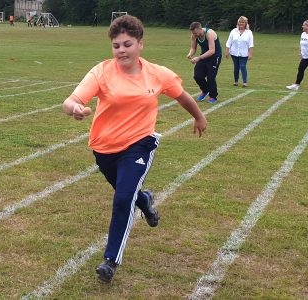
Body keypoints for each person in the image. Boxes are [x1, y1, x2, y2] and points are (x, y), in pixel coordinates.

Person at [62, 15, 207, 283]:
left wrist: (198, 116)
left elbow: (181, 96)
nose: (121, 51)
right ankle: (146, 200)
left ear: (140, 44)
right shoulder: (102, 71)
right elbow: (70, 100)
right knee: (127, 194)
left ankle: (111, 260)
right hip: (104, 148)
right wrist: (76, 109)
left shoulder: (156, 74)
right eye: (116, 46)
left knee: (122, 199)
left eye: (127, 44)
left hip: (139, 144)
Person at [187, 21, 222, 103]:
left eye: (195, 33)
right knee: (197, 76)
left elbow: (212, 51)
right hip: (204, 55)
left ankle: (213, 96)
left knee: (211, 77)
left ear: (200, 29)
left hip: (214, 56)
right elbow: (193, 48)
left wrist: (199, 58)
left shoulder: (209, 33)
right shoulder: (194, 35)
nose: (194, 35)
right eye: (193, 33)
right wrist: (190, 54)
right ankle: (205, 90)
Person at [286, 20, 308, 92]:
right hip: (305, 55)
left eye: (304, 25)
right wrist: (301, 53)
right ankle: (296, 85)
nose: (302, 26)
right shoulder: (303, 34)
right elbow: (301, 44)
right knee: (300, 69)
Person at [225, 16, 254, 88]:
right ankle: (236, 81)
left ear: (245, 23)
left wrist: (250, 54)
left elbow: (251, 44)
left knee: (243, 66)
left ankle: (245, 82)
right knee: (236, 67)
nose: (241, 23)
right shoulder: (233, 31)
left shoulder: (249, 32)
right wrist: (227, 51)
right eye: (240, 22)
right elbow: (229, 42)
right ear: (238, 23)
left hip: (244, 54)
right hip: (234, 53)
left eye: (243, 22)